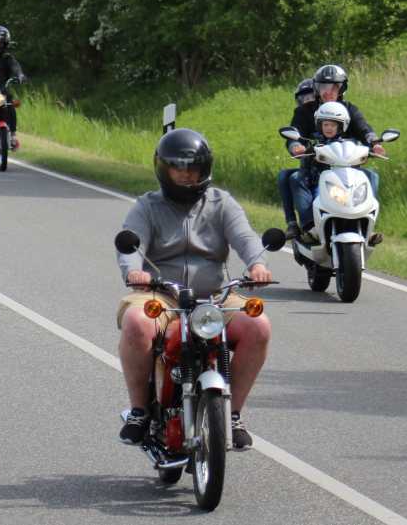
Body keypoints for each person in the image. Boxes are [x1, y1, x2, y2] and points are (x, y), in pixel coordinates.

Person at [116, 128, 272, 450]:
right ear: (164, 169)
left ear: (205, 169)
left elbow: (245, 237)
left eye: (193, 169)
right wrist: (134, 272)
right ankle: (140, 411)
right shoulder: (148, 205)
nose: (187, 175)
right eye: (179, 168)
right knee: (136, 323)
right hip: (162, 294)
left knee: (258, 325)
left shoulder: (221, 203)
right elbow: (131, 243)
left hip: (215, 297)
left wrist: (257, 263)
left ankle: (233, 414)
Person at [283, 64, 382, 230]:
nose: (328, 91)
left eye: (333, 87)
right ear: (316, 88)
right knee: (292, 178)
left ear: (341, 89)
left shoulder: (350, 109)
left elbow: (364, 129)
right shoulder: (305, 111)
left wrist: (374, 143)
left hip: (347, 168)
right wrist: (295, 145)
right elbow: (295, 132)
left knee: (372, 176)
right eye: (323, 86)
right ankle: (308, 226)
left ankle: (367, 223)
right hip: (315, 167)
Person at [289, 102, 374, 244]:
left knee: (369, 178)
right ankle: (310, 227)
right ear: (319, 125)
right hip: (322, 182)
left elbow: (361, 149)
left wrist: (370, 150)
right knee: (315, 194)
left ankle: (368, 227)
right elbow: (301, 150)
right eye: (325, 125)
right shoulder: (313, 141)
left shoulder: (350, 143)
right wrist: (302, 149)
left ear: (341, 126)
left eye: (333, 125)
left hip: (346, 181)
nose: (329, 128)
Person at [279, 78, 316, 238]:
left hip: (335, 167)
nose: (307, 100)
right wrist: (295, 146)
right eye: (303, 97)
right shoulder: (302, 115)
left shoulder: (336, 113)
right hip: (309, 168)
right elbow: (294, 135)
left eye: (310, 96)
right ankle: (293, 224)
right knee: (284, 176)